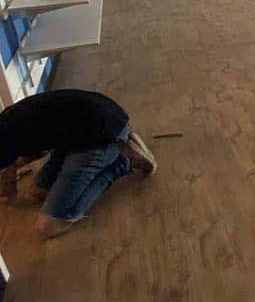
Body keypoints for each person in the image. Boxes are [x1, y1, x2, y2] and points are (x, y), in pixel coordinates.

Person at [0, 89, 156, 238]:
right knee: (38, 192)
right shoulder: (8, 123)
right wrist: (11, 170)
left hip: (100, 136)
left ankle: (122, 162)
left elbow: (11, 178)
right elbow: (33, 148)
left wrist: (9, 182)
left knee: (48, 226)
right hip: (92, 122)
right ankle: (121, 140)